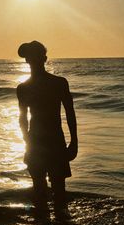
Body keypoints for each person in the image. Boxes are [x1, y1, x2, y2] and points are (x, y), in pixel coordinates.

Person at [16, 41, 78, 215]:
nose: (32, 61)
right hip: (41, 141)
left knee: (54, 191)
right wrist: (27, 142)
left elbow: (70, 113)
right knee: (45, 191)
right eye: (30, 57)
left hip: (51, 141)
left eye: (33, 57)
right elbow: (22, 119)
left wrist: (74, 141)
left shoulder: (58, 83)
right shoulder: (25, 88)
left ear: (43, 59)